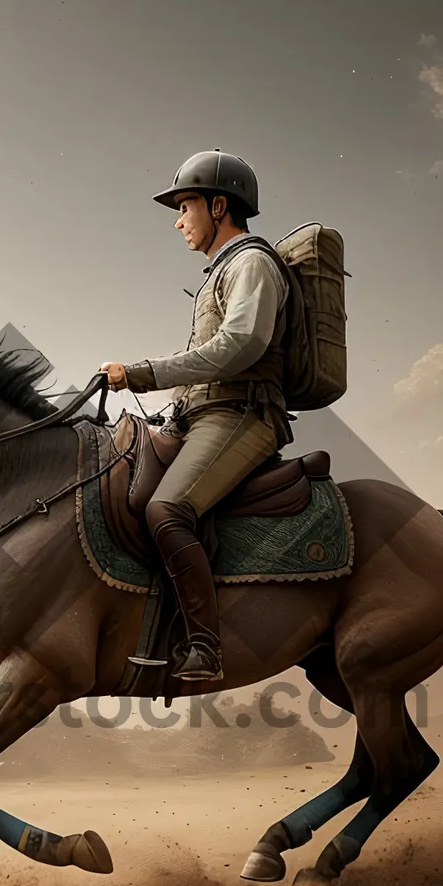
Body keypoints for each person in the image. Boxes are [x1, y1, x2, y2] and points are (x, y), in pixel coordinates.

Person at [101, 150, 292, 682]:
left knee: (167, 510)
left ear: (217, 204)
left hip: (240, 417)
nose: (179, 220)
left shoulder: (252, 262)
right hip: (197, 416)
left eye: (185, 206)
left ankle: (205, 647)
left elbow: (239, 346)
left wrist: (140, 373)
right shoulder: (221, 270)